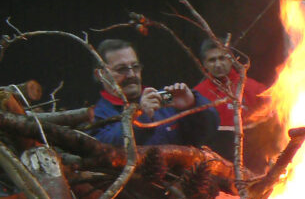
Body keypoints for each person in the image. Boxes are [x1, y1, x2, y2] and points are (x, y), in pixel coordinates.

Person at [89, 39, 218, 147]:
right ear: (100, 74)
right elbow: (109, 146)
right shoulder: (96, 116)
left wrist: (193, 105)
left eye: (135, 66)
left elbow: (208, 131)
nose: (131, 74)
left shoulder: (162, 97)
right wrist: (143, 117)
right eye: (121, 69)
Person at [193, 38, 270, 157]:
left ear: (231, 59)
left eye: (222, 58)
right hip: (213, 161)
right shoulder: (197, 94)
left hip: (249, 157)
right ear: (204, 64)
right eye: (212, 60)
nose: (218, 64)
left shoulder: (254, 89)